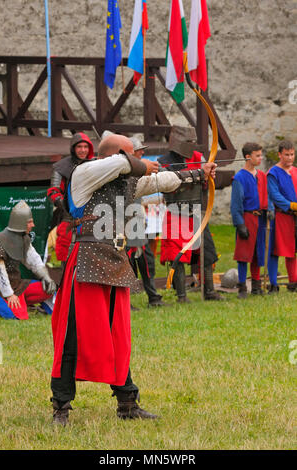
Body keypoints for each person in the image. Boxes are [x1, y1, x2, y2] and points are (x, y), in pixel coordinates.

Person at [50, 132, 216, 425]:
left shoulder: (123, 180)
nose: (139, 157)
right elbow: (124, 165)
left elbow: (161, 181)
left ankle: (127, 403)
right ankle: (60, 407)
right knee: (73, 336)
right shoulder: (84, 173)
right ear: (115, 154)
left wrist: (198, 174)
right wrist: (139, 164)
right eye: (132, 153)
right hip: (87, 260)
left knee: (118, 337)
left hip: (114, 260)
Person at [159, 126, 221, 302]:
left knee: (207, 251)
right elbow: (169, 183)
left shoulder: (197, 158)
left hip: (197, 212)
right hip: (176, 212)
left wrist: (208, 174)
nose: (192, 145)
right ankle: (181, 296)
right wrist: (198, 175)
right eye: (189, 142)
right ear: (178, 142)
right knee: (177, 255)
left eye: (193, 141)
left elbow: (204, 180)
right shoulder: (164, 161)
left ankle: (209, 291)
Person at [0, 201, 56, 320]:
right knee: (16, 317)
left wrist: (47, 278)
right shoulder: (0, 241)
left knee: (48, 289)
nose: (33, 225)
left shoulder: (24, 239)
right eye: (29, 222)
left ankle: (19, 302)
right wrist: (9, 295)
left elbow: (34, 261)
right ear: (20, 223)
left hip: (16, 284)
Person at [127, 137, 166, 308]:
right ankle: (125, 301)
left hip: (135, 222)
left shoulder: (140, 168)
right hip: (119, 224)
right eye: (139, 149)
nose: (142, 152)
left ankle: (153, 296)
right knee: (125, 263)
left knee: (146, 260)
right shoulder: (123, 170)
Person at [230, 142, 272, 298]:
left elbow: (267, 195)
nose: (260, 158)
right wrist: (239, 223)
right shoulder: (239, 178)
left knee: (258, 254)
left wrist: (270, 210)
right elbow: (236, 204)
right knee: (244, 255)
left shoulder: (261, 175)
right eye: (257, 155)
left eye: (261, 155)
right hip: (247, 218)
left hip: (260, 219)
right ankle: (242, 288)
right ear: (248, 157)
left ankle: (256, 286)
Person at [47, 133, 95, 263]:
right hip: (69, 219)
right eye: (79, 146)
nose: (83, 150)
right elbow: (54, 191)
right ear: (73, 148)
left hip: (92, 217)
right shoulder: (61, 167)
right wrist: (68, 207)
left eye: (86, 146)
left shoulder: (96, 164)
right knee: (68, 260)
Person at [267, 140, 297, 292]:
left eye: (292, 154)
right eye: (287, 155)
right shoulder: (273, 173)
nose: (290, 158)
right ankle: (273, 284)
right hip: (279, 217)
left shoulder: (295, 171)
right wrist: (290, 205)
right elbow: (274, 195)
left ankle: (294, 282)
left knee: (293, 251)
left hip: (295, 218)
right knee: (275, 250)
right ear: (280, 155)